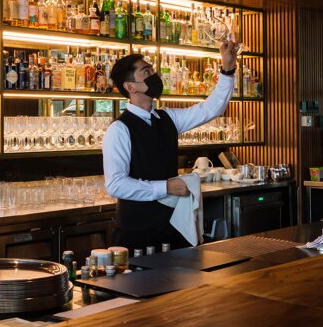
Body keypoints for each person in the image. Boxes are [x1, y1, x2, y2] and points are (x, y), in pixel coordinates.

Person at [102, 40, 238, 252]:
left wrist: (227, 70)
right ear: (130, 87)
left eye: (152, 70)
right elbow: (116, 184)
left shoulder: (168, 118)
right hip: (137, 234)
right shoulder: (119, 129)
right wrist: (165, 187)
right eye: (146, 72)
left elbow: (211, 109)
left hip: (171, 228)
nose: (153, 76)